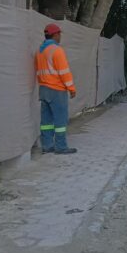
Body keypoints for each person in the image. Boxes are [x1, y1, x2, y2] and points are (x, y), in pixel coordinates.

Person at [35, 23, 77, 155]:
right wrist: (71, 88)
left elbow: (39, 71)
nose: (60, 37)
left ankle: (47, 145)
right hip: (57, 90)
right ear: (55, 35)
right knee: (60, 119)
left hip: (44, 89)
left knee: (46, 120)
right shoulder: (57, 50)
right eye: (59, 34)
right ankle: (61, 147)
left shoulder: (39, 51)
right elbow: (64, 72)